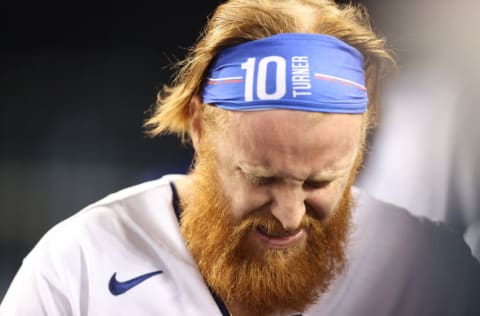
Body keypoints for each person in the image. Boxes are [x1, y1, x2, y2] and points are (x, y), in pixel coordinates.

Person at [1, 0, 479, 315]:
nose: (289, 215)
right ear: (198, 127)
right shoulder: (78, 265)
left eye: (320, 182)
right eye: (262, 177)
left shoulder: (427, 271)